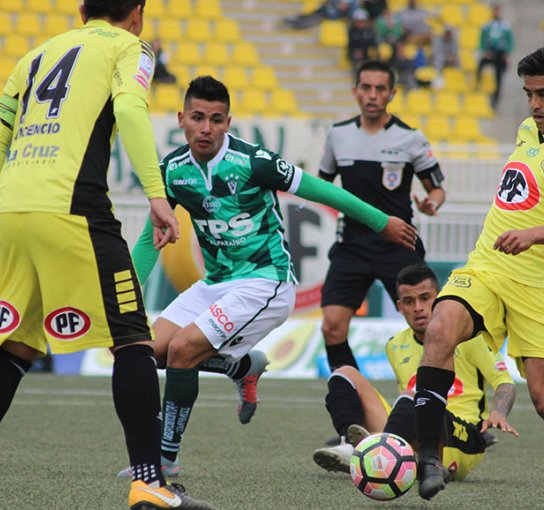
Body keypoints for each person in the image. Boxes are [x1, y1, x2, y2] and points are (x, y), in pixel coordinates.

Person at [0, 2, 215, 509]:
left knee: (14, 347)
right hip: (73, 209)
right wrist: (156, 194)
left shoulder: (38, 53)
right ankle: (149, 480)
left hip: (16, 208)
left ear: (83, 10)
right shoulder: (130, 47)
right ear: (138, 14)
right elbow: (129, 109)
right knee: (132, 339)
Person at [122, 75, 419, 477]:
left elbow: (320, 190)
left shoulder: (254, 161)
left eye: (216, 119)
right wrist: (127, 300)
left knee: (181, 352)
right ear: (181, 119)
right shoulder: (172, 171)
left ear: (228, 122)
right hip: (214, 283)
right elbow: (147, 239)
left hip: (266, 281)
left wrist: (381, 220)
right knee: (146, 352)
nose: (206, 128)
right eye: (198, 117)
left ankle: (165, 461)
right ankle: (241, 368)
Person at [410, 45, 544, 510]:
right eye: (528, 93)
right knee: (440, 329)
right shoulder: (528, 129)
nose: (533, 104)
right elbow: (539, 199)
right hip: (486, 266)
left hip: (535, 285)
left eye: (543, 94)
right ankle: (427, 459)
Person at [312, 264, 517, 482]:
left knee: (415, 396)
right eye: (409, 302)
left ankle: (374, 452)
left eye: (425, 298)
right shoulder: (395, 345)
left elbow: (505, 383)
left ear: (440, 299)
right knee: (344, 374)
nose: (418, 307)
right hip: (413, 431)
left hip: (462, 438)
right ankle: (352, 445)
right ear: (400, 306)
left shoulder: (469, 337)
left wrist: (499, 412)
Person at [317, 60, 446, 373]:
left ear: (392, 93)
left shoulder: (410, 138)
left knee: (432, 328)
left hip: (398, 245)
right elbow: (322, 187)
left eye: (380, 88)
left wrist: (431, 203)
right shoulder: (338, 135)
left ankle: (437, 396)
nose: (372, 95)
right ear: (355, 92)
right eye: (366, 88)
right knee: (332, 327)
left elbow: (438, 190)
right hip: (352, 245)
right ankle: (354, 395)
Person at [476, 3, 514, 109]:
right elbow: (482, 40)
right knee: (481, 64)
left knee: (498, 75)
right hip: (490, 52)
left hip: (500, 54)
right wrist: (485, 51)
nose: (496, 13)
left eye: (497, 11)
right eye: (494, 11)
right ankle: (478, 84)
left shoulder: (505, 26)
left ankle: (495, 98)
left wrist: (507, 53)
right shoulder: (487, 26)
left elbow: (510, 41)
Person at [282, 0, 358, 29]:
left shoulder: (354, 3)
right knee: (311, 14)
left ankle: (295, 24)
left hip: (328, 14)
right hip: (324, 10)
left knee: (313, 19)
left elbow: (350, 15)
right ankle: (293, 20)